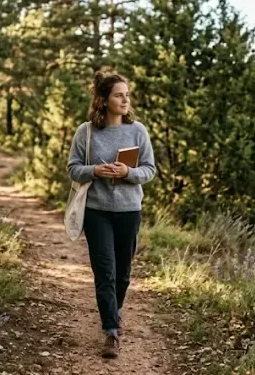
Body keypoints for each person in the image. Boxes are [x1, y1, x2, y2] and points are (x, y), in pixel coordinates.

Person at [66, 71, 156, 359]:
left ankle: (113, 313)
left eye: (127, 95)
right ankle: (111, 332)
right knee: (105, 272)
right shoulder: (86, 132)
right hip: (97, 212)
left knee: (123, 274)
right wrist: (95, 170)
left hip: (129, 211)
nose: (125, 100)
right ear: (104, 100)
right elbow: (73, 169)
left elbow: (149, 170)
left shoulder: (138, 131)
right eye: (119, 95)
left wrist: (127, 172)